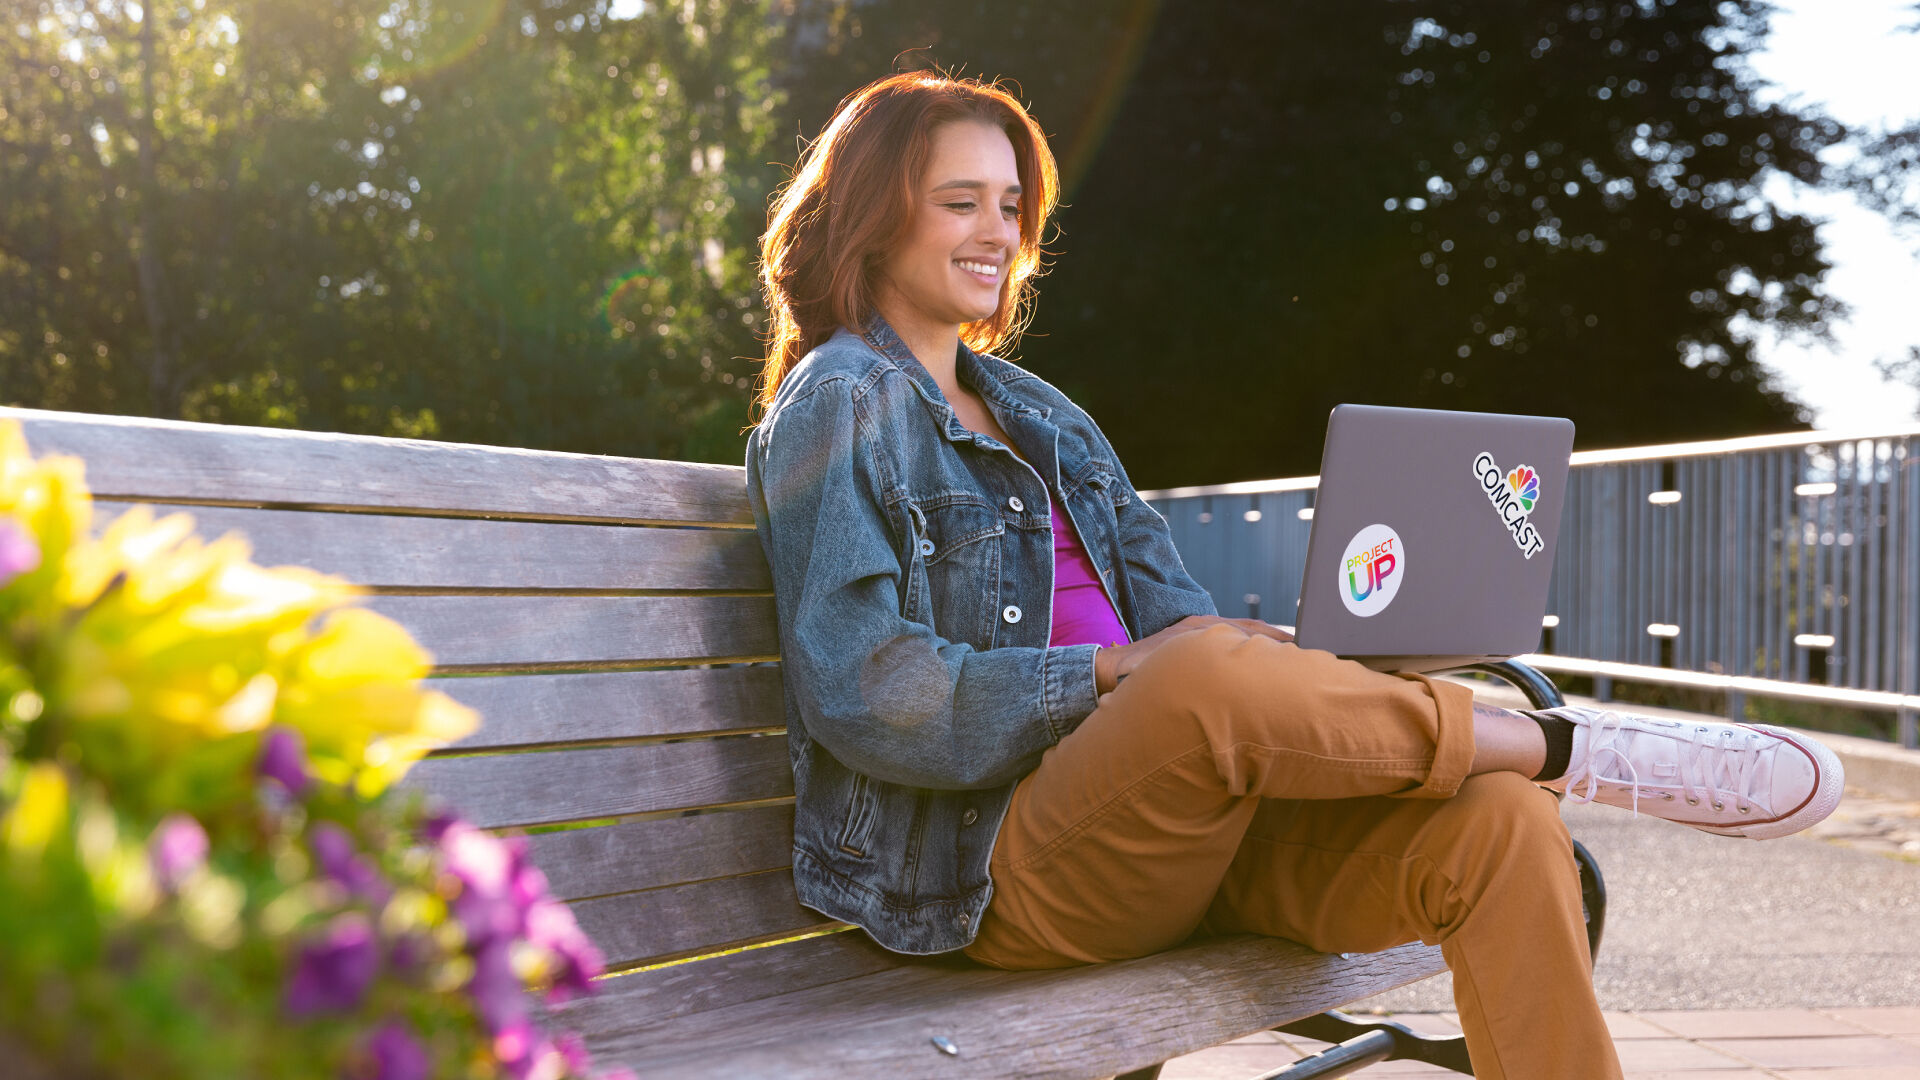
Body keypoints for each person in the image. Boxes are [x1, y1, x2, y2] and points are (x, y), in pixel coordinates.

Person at [742, 71, 1844, 1079]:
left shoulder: (1042, 414)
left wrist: (1292, 667)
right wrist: (1113, 678)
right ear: (877, 212)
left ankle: (1533, 765)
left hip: (1177, 831)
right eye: (960, 200)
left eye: (1012, 202)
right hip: (993, 871)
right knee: (1198, 677)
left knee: (1498, 827)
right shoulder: (840, 403)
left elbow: (1179, 628)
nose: (1000, 230)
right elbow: (866, 687)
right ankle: (1579, 748)